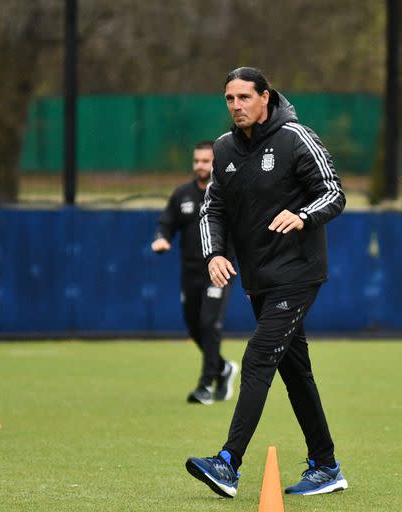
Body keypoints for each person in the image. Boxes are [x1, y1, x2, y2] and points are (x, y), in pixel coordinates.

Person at [184, 67, 348, 499]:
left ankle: (228, 463)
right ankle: (326, 465)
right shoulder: (223, 149)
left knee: (258, 358)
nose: (236, 106)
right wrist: (215, 253)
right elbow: (211, 209)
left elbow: (334, 192)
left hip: (298, 273)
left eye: (244, 97)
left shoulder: (297, 137)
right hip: (259, 279)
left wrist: (303, 215)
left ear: (265, 97)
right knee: (296, 371)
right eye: (229, 99)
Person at [151, 140, 239, 405]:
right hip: (190, 272)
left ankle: (205, 386)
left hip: (218, 271)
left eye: (206, 161)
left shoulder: (227, 193)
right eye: (197, 161)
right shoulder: (182, 195)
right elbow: (166, 223)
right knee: (193, 325)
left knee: (209, 323)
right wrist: (162, 238)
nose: (200, 166)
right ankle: (223, 369)